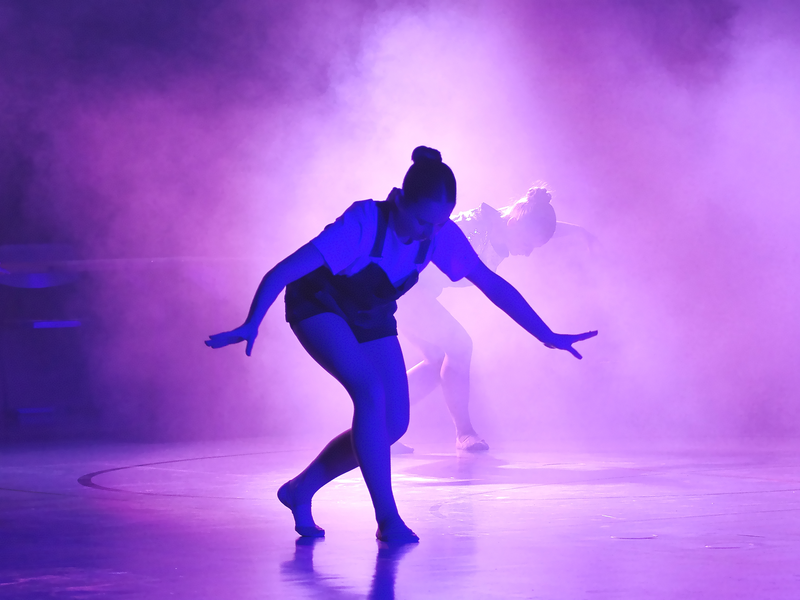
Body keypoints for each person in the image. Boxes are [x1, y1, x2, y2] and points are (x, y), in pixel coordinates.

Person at [205, 147, 596, 543]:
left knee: (393, 423)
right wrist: (252, 320)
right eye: (423, 220)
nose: (429, 232)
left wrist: (546, 334)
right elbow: (285, 269)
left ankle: (300, 490)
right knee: (370, 392)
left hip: (372, 310)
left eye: (439, 222)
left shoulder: (439, 233)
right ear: (399, 200)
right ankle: (388, 520)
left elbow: (491, 285)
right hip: (318, 302)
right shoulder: (363, 222)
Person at [394, 186, 594, 453]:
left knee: (438, 362)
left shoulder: (508, 221)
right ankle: (464, 433)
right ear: (515, 225)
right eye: (528, 245)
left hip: (412, 292)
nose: (528, 253)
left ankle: (382, 428)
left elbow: (535, 221)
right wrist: (546, 334)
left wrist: (580, 231)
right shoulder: (473, 229)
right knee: (459, 347)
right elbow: (495, 288)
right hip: (402, 288)